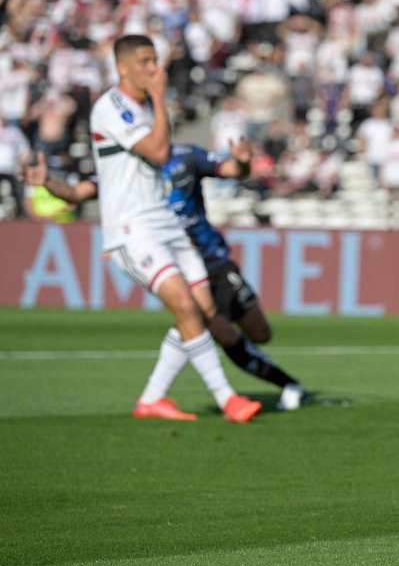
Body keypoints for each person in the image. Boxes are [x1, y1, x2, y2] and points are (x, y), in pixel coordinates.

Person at [23, 143, 309, 411]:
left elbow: (233, 171)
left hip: (211, 258)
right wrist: (47, 182)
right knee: (204, 322)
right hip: (172, 262)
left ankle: (154, 397)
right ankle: (277, 386)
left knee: (260, 333)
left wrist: (243, 164)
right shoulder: (125, 169)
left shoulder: (186, 156)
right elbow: (76, 193)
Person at [87, 34, 262, 423]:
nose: (155, 69)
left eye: (156, 60)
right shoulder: (113, 108)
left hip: (165, 222)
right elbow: (159, 152)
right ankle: (228, 399)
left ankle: (152, 399)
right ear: (122, 67)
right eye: (146, 61)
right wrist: (160, 98)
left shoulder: (140, 108)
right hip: (134, 228)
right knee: (184, 306)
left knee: (201, 311)